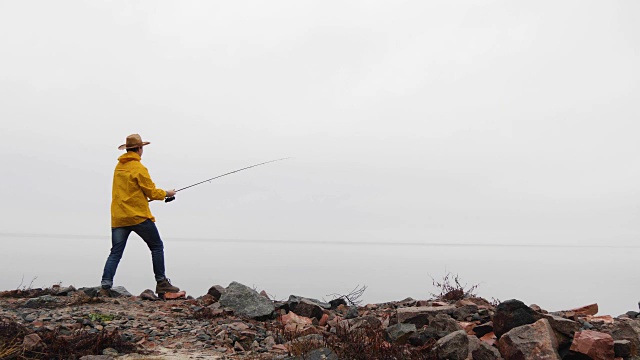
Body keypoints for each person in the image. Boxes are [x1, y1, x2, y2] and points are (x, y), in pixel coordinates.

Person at [100, 134, 180, 296]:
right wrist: (167, 193)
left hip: (119, 217)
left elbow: (129, 192)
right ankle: (162, 283)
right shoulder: (138, 168)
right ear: (139, 149)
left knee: (115, 252)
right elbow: (151, 192)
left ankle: (105, 287)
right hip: (138, 217)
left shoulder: (119, 167)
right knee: (157, 246)